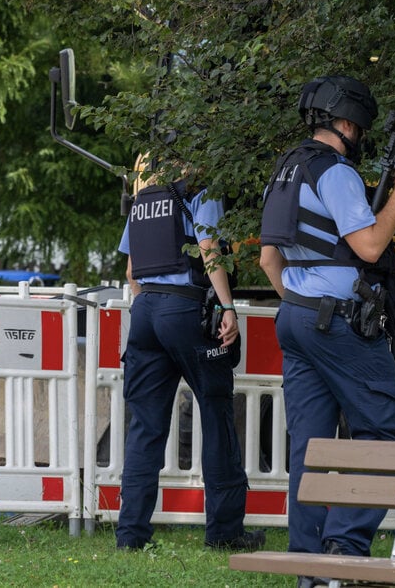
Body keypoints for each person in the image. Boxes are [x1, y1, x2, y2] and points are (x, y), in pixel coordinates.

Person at [259, 75, 395, 586]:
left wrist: (304, 306)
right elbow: (370, 246)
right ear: (347, 123)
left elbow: (268, 261)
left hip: (295, 316)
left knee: (310, 447)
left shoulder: (285, 172)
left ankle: (310, 569)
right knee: (385, 430)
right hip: (334, 321)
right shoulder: (336, 173)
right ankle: (344, 550)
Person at [115, 164, 264, 552]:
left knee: (145, 426)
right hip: (185, 309)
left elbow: (132, 269)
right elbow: (208, 246)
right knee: (216, 414)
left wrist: (148, 303)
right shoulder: (199, 190)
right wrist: (228, 307)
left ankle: (130, 535)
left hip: (144, 310)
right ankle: (224, 532)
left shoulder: (143, 199)